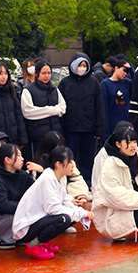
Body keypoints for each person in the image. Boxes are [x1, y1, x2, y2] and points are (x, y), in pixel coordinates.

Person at [13, 146, 93, 259]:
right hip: (26, 227)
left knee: (72, 216)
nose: (72, 165)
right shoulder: (48, 178)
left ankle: (43, 242)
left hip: (38, 220)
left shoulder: (57, 178)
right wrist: (81, 213)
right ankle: (33, 245)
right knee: (63, 219)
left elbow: (65, 202)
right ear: (58, 164)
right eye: (69, 162)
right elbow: (53, 209)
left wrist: (83, 212)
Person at [58, 52, 106, 185]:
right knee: (69, 158)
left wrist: (99, 129)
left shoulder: (93, 83)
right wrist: (61, 130)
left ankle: (87, 182)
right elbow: (60, 107)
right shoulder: (65, 83)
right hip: (70, 129)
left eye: (85, 65)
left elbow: (99, 107)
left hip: (89, 129)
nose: (82, 68)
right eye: (79, 65)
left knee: (88, 159)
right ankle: (69, 182)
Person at [0, 142, 35, 250]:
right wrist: (25, 207)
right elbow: (1, 205)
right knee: (14, 213)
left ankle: (18, 237)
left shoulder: (23, 176)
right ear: (7, 160)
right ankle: (2, 239)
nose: (22, 159)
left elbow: (35, 193)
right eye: (18, 156)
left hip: (16, 214)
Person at [22, 59, 65, 158]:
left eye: (49, 73)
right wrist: (52, 110)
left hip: (55, 136)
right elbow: (28, 112)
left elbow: (62, 108)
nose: (46, 76)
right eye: (44, 73)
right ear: (36, 73)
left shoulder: (55, 90)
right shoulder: (28, 90)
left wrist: (44, 111)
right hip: (37, 137)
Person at [0, 61, 28, 150]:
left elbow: (18, 117)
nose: (3, 77)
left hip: (13, 139)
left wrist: (22, 139)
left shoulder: (12, 92)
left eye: (5, 73)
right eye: (0, 74)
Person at [101, 57, 133, 132]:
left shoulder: (127, 83)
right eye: (124, 70)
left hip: (126, 122)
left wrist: (131, 69)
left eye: (127, 72)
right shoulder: (105, 84)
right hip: (112, 122)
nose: (125, 74)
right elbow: (104, 108)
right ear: (116, 68)